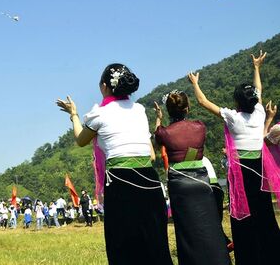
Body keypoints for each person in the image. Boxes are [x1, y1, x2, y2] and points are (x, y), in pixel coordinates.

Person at [57, 63, 173, 265]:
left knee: (124, 246)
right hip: (150, 180)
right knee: (155, 245)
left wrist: (73, 114)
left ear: (104, 86)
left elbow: (80, 139)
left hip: (121, 182)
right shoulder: (139, 110)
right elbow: (150, 153)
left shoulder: (99, 114)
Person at [188, 51, 280, 265]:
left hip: (240, 171)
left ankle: (248, 256)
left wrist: (195, 83)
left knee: (243, 215)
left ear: (237, 101)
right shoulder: (259, 113)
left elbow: (203, 102)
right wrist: (257, 67)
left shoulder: (233, 117)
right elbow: (259, 89)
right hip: (259, 168)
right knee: (264, 212)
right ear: (254, 100)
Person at [154, 90, 230, 265]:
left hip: (179, 184)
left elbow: (157, 137)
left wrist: (159, 118)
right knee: (209, 227)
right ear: (187, 108)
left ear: (168, 111)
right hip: (201, 181)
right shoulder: (200, 127)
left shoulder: (165, 132)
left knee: (186, 231)